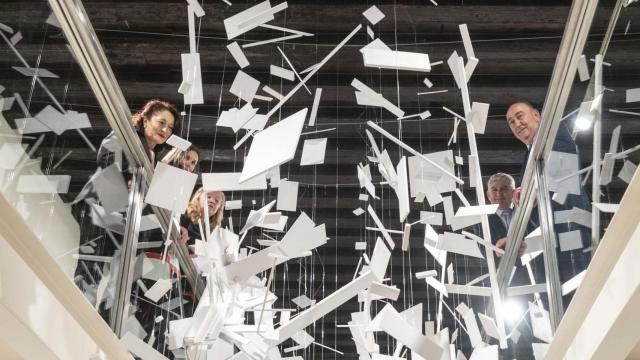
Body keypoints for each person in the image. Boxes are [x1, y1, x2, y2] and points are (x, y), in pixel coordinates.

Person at [505, 101, 591, 285]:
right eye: (511, 122)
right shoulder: (530, 156)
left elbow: (563, 169)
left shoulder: (553, 134)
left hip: (569, 225)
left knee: (577, 288)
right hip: (551, 237)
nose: (517, 124)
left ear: (536, 115)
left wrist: (530, 191)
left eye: (520, 116)